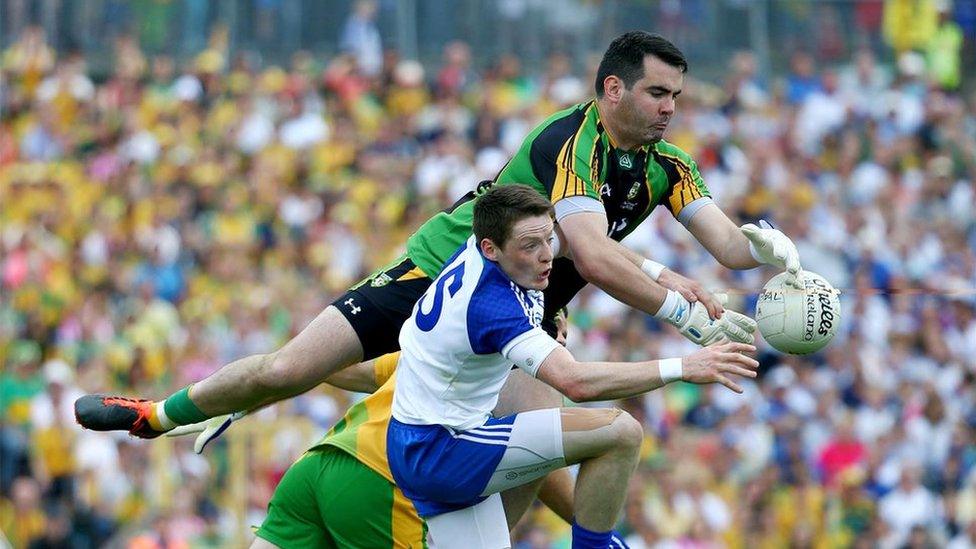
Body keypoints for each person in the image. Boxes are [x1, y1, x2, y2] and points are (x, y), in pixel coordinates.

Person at [76, 31, 795, 445]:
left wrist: (770, 253)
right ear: (612, 90)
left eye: (677, 96)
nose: (671, 108)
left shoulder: (670, 167)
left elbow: (727, 245)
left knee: (557, 443)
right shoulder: (571, 143)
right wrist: (683, 312)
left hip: (514, 309)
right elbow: (595, 254)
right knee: (287, 366)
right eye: (657, 93)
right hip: (440, 270)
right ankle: (157, 415)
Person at [385, 184, 759, 548]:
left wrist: (663, 275)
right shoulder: (490, 304)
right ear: (491, 248)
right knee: (621, 433)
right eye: (531, 245)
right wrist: (685, 366)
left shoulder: (493, 247)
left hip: (418, 441)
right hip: (442, 447)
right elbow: (575, 382)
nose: (546, 254)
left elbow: (582, 244)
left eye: (547, 238)